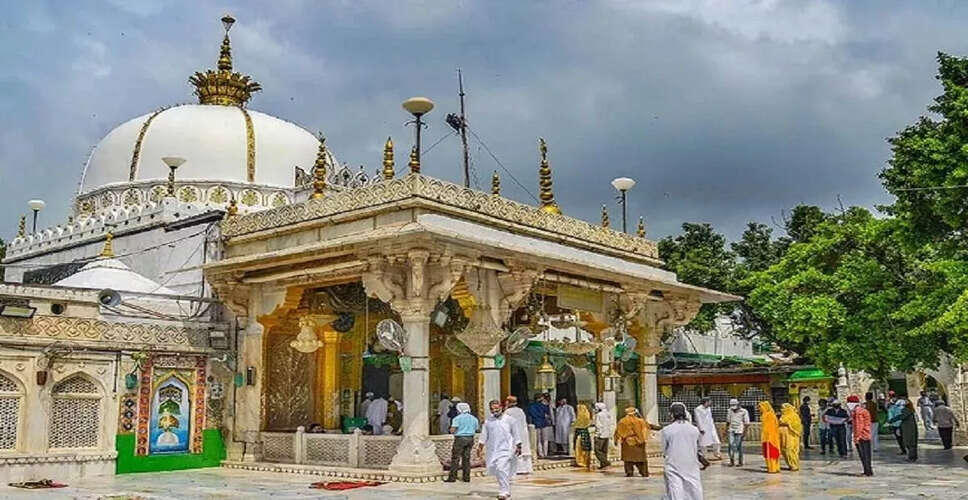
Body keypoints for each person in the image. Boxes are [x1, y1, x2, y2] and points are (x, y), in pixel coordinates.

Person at [477, 400, 522, 500]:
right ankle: (505, 489)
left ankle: (504, 492)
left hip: (506, 449)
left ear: (501, 407)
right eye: (492, 409)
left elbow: (516, 433)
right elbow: (484, 435)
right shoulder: (488, 421)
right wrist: (480, 447)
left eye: (496, 408)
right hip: (493, 450)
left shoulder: (510, 420)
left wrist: (519, 446)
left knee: (502, 468)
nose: (494, 410)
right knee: (497, 470)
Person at [662, 403, 703, 500]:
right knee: (694, 487)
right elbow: (697, 446)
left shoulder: (667, 430)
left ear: (672, 414)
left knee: (675, 488)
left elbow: (664, 449)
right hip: (691, 463)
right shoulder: (694, 430)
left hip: (673, 464)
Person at [614, 407, 661, 477]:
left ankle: (629, 472)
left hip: (627, 443)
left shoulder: (622, 421)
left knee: (628, 459)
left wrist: (615, 440)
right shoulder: (640, 421)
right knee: (641, 460)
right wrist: (661, 428)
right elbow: (649, 426)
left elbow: (617, 431)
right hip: (639, 442)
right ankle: (644, 473)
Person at [445, 402, 479, 483]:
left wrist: (451, 430)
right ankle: (466, 477)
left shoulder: (457, 418)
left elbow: (453, 430)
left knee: (455, 458)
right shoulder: (474, 418)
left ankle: (452, 478)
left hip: (460, 439)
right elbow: (477, 429)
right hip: (470, 439)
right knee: (466, 458)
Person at [503, 395, 533, 474]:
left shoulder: (508, 412)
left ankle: (518, 469)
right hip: (522, 432)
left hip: (514, 434)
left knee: (515, 450)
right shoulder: (520, 410)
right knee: (523, 450)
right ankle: (526, 468)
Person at [527, 393, 553, 458]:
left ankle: (541, 453)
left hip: (536, 423)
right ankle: (545, 453)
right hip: (544, 423)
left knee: (538, 440)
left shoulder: (531, 406)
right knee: (545, 439)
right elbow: (547, 414)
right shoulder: (544, 405)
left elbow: (531, 414)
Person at [726, 398, 749, 467]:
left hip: (739, 430)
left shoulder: (744, 411)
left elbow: (747, 423)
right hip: (731, 429)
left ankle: (740, 461)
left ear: (738, 404)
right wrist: (726, 430)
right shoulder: (729, 411)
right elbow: (728, 421)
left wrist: (744, 433)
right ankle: (731, 461)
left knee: (738, 446)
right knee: (730, 445)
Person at [778, 403, 802, 471]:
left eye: (783, 408)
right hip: (784, 437)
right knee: (784, 450)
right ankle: (790, 464)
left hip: (791, 437)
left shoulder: (794, 416)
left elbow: (797, 426)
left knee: (790, 450)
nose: (781, 409)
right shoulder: (783, 416)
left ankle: (794, 465)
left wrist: (788, 423)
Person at [852, 400, 873, 476]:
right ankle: (868, 471)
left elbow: (859, 425)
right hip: (866, 434)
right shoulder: (863, 410)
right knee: (867, 454)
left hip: (862, 436)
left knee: (864, 455)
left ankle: (867, 471)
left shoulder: (858, 412)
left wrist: (857, 437)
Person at [759, 401, 781, 473]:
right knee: (770, 452)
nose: (759, 409)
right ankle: (773, 467)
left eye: (760, 407)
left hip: (770, 437)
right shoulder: (766, 415)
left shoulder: (769, 415)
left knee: (771, 453)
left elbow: (770, 427)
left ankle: (773, 468)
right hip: (768, 437)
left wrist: (768, 436)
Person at [593, 402, 614, 469]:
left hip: (600, 435)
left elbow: (598, 425)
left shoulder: (599, 415)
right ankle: (603, 465)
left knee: (597, 451)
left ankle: (606, 462)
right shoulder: (608, 414)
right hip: (606, 435)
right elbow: (610, 424)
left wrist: (597, 434)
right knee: (604, 451)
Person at [573, 404, 593, 469]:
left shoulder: (580, 417)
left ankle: (581, 461)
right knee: (585, 448)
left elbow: (576, 425)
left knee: (580, 448)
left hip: (580, 435)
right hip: (585, 433)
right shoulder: (586, 415)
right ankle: (585, 461)